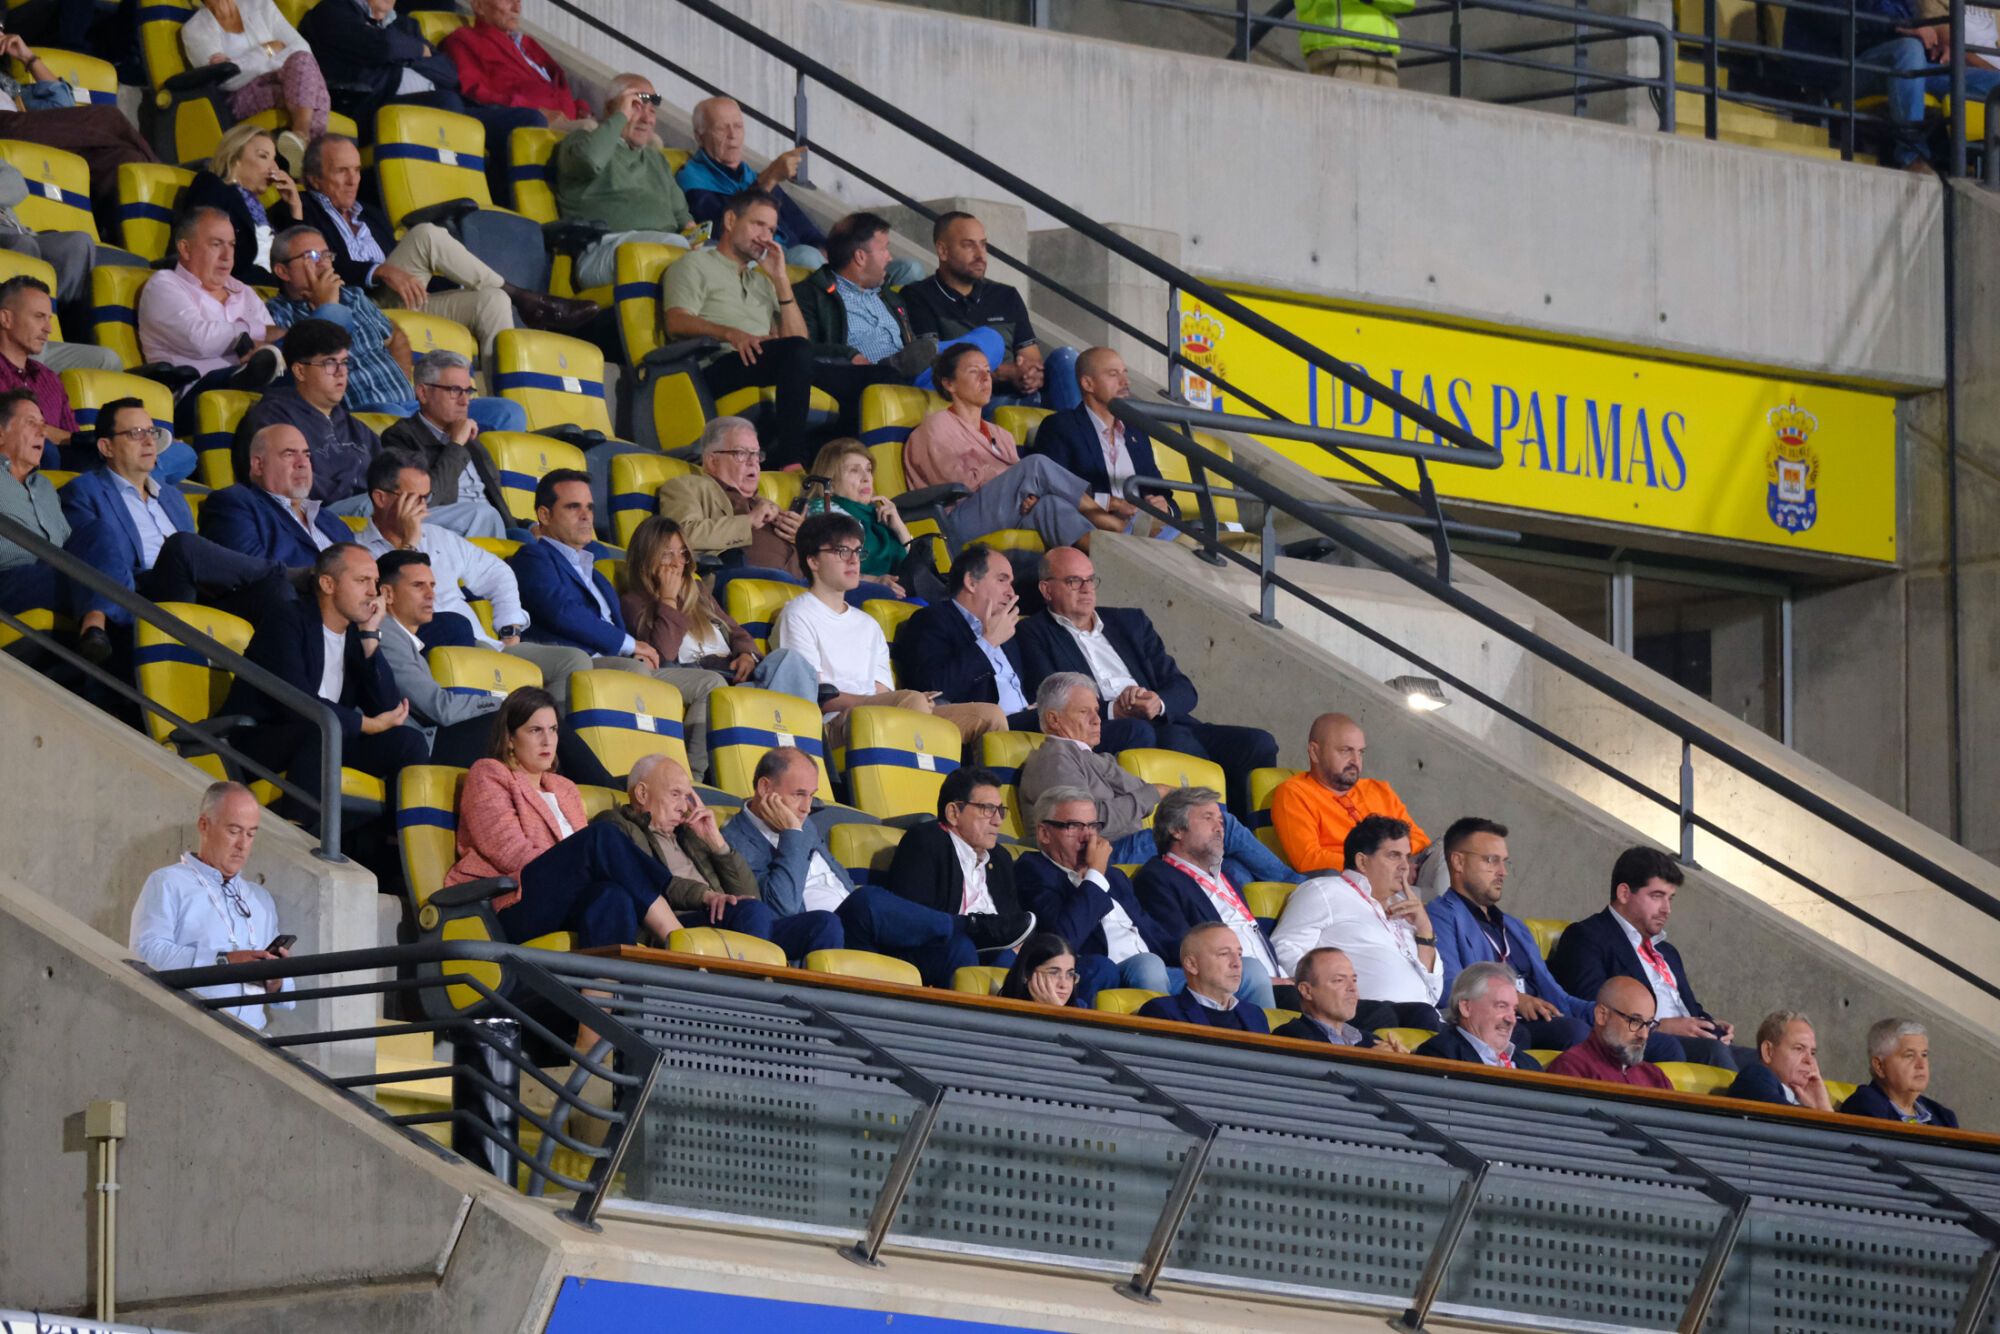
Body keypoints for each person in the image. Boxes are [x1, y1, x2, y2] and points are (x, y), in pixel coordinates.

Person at [1016, 546, 1278, 812]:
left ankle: (1248, 828)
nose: (1086, 589)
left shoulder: (1130, 621)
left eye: (1090, 579)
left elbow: (1184, 688)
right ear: (1047, 590)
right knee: (1153, 735)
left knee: (1258, 742)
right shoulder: (1032, 633)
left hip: (1165, 719)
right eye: (1074, 581)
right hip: (1109, 725)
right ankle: (1206, 824)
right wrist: (1113, 709)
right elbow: (1053, 694)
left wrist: (1158, 702)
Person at [662, 188, 899, 470]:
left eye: (772, 229)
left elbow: (800, 340)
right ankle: (792, 461)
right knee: (795, 352)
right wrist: (729, 333)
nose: (766, 236)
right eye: (757, 225)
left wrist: (780, 278)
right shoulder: (695, 263)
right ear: (729, 221)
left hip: (768, 359)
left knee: (877, 376)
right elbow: (676, 321)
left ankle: (838, 467)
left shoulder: (763, 281)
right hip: (717, 363)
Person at [508, 469, 723, 776]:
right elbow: (562, 611)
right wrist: (629, 644)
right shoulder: (533, 558)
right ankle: (634, 772)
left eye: (590, 508)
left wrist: (630, 649)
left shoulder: (596, 574)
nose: (586, 516)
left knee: (711, 684)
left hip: (617, 663)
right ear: (544, 514)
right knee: (634, 669)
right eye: (573, 507)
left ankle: (689, 777)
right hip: (576, 664)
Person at [222, 543, 426, 866]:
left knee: (409, 742)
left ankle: (392, 850)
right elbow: (296, 703)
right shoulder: (287, 619)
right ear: (328, 584)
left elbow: (386, 706)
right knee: (320, 726)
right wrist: (366, 725)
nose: (374, 593)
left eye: (375, 583)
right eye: (362, 581)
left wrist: (371, 637)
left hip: (323, 741)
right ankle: (296, 840)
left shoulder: (356, 635)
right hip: (261, 740)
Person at [299, 134, 590, 352]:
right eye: (341, 171)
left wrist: (458, 284)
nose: (353, 180)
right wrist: (378, 271)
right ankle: (523, 297)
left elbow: (406, 276)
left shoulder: (371, 215)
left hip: (397, 302)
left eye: (357, 170)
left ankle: (502, 406)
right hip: (355, 304)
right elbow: (309, 261)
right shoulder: (302, 209)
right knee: (426, 233)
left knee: (493, 300)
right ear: (314, 179)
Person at [445, 686, 685, 949]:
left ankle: (601, 990)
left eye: (553, 730)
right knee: (600, 837)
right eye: (535, 730)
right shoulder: (489, 774)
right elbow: (509, 852)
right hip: (510, 901)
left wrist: (577, 866)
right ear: (510, 738)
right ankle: (676, 936)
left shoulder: (564, 788)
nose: (547, 741)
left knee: (612, 896)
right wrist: (573, 862)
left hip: (560, 898)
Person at [723, 746, 982, 985]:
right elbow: (780, 908)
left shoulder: (806, 824)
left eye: (811, 796)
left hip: (861, 933)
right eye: (798, 794)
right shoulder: (736, 839)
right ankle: (970, 924)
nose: (806, 808)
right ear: (765, 788)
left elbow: (839, 884)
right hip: (823, 930)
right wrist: (792, 834)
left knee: (958, 949)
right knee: (866, 900)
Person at [1018, 673, 1298, 887]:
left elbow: (1142, 793)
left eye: (1096, 710)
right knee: (1221, 822)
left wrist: (1165, 796)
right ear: (1053, 719)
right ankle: (1295, 885)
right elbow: (1086, 825)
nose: (1097, 719)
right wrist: (1154, 793)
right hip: (1102, 853)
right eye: (1084, 712)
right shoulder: (1054, 758)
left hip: (1128, 843)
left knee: (1235, 869)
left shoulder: (1096, 758)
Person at [62, 398, 293, 658]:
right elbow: (95, 556)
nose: (149, 441)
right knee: (182, 546)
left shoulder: (173, 497)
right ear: (106, 447)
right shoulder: (84, 491)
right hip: (141, 596)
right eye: (135, 434)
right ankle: (280, 570)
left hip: (193, 590)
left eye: (151, 432)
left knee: (275, 591)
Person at [265, 226, 526, 454]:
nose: (324, 263)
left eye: (327, 255)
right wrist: (327, 307)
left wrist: (403, 381)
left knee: (507, 413)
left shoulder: (354, 297)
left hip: (410, 404)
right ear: (282, 271)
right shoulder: (278, 313)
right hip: (363, 413)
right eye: (311, 257)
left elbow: (395, 337)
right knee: (395, 417)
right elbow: (306, 355)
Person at [355, 450, 588, 691]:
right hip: (426, 652)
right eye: (413, 498)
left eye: (427, 497)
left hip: (484, 645)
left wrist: (509, 627)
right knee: (458, 628)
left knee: (574, 661)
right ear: (381, 498)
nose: (423, 508)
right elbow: (385, 614)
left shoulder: (440, 537)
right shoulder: (357, 553)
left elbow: (498, 572)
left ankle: (544, 728)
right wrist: (410, 544)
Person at [770, 510, 1006, 748]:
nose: (853, 560)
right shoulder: (798, 614)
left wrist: (902, 701)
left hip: (879, 713)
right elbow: (816, 696)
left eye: (857, 551)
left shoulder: (868, 624)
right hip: (829, 724)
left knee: (990, 717)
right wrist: (896, 701)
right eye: (842, 551)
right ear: (813, 561)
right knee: (911, 701)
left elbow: (882, 689)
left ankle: (973, 785)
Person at [592, 752, 841, 961]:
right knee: (751, 913)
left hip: (727, 918)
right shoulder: (617, 826)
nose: (683, 806)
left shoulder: (689, 834)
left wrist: (717, 844)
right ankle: (753, 1007)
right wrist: (707, 896)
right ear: (642, 794)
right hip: (674, 924)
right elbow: (650, 882)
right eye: (675, 794)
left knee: (824, 924)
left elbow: (750, 895)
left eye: (688, 796)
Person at [678, 96, 922, 282]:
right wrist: (770, 178)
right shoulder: (692, 178)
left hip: (805, 253)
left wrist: (832, 250)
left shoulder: (748, 175)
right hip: (769, 258)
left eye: (738, 127)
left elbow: (803, 226)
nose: (733, 136)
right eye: (722, 128)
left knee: (909, 269)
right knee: (807, 256)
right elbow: (725, 229)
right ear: (700, 136)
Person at [903, 344, 1117, 551]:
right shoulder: (936, 427)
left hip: (1001, 514)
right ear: (949, 383)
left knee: (1049, 506)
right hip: (956, 522)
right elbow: (957, 489)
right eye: (974, 371)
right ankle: (1110, 521)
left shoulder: (1001, 434)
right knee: (1036, 464)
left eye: (988, 371)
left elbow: (1019, 484)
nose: (985, 377)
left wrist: (1032, 497)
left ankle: (1109, 561)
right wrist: (1020, 488)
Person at [1546, 846, 1739, 1070]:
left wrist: (1711, 1025)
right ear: (1624, 893)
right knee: (1715, 1054)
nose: (1667, 909)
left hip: (1697, 1044)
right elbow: (1593, 1007)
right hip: (1646, 1041)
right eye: (1657, 896)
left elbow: (1689, 1008)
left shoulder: (1668, 952)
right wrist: (1659, 1026)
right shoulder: (1586, 937)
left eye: (1670, 898)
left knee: (1759, 1064)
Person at [129, 781, 295, 1030]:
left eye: (251, 834)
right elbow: (145, 953)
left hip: (255, 1038)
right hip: (194, 1033)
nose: (243, 844)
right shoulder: (168, 882)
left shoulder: (259, 899)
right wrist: (224, 962)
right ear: (204, 825)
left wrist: (275, 980)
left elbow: (285, 993)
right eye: (234, 831)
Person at [300, 0, 541, 170]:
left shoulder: (406, 26)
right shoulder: (333, 11)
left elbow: (448, 72)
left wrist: (398, 50)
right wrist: (419, 51)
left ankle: (500, 209)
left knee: (529, 120)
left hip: (440, 102)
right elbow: (382, 47)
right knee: (446, 103)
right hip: (372, 107)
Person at [1425, 817, 1592, 1053]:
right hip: (1497, 1022)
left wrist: (1606, 1014)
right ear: (1458, 861)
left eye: (1504, 862)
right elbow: (1449, 987)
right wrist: (1514, 999)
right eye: (1491, 861)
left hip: (1540, 1019)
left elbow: (1558, 998)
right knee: (1574, 1033)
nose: (1502, 872)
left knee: (1623, 1035)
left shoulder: (1514, 926)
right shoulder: (1440, 915)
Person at [0, 275, 191, 476]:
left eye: (49, 319)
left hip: (73, 460)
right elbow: (16, 430)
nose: (48, 329)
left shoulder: (49, 378)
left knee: (183, 453)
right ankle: (137, 479)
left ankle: (135, 476)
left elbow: (70, 435)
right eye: (39, 317)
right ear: (6, 318)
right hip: (35, 464)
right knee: (49, 451)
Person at [620, 514, 818, 705]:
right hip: (708, 680)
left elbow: (737, 632)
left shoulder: (697, 591)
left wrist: (747, 655)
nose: (676, 563)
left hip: (737, 675)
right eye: (666, 554)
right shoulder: (634, 602)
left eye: (682, 554)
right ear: (645, 559)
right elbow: (665, 655)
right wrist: (668, 599)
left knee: (789, 660)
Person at [1270, 814, 1443, 1031]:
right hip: (1361, 1013)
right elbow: (1285, 947)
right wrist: (1327, 993)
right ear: (1362, 861)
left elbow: (1434, 992)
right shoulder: (1325, 891)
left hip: (1419, 1015)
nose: (1404, 867)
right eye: (1393, 856)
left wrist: (1424, 932)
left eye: (1407, 857)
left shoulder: (1408, 911)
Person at [1012, 784, 1181, 1001]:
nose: (1087, 837)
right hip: (1112, 970)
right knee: (1149, 965)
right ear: (1045, 833)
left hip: (1158, 969)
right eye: (1074, 826)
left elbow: (1153, 933)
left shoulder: (1116, 877)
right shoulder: (1033, 870)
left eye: (1093, 826)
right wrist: (1095, 877)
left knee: (1228, 974)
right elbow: (1063, 938)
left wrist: (1198, 954)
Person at [795, 212, 998, 379]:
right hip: (866, 376)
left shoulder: (891, 298)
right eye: (884, 248)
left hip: (915, 375)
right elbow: (803, 349)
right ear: (860, 256)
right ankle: (898, 367)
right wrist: (847, 354)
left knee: (990, 339)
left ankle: (918, 365)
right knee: (968, 358)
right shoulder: (812, 294)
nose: (890, 257)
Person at [1133, 786, 1282, 1009]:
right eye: (1208, 818)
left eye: (1221, 821)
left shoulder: (1227, 877)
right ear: (1176, 829)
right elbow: (1179, 946)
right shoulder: (1158, 877)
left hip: (1270, 979)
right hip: (1234, 980)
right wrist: (1251, 974)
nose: (1219, 828)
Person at [135, 208, 285, 426]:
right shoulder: (164, 285)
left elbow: (272, 347)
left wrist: (264, 348)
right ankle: (246, 376)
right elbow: (199, 339)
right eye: (216, 244)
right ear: (185, 249)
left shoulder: (244, 292)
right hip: (193, 396)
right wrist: (258, 332)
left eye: (231, 245)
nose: (227, 256)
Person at [553, 75, 701, 291]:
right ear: (611, 109)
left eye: (652, 111)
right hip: (604, 251)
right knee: (677, 250)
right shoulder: (581, 141)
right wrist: (621, 115)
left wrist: (692, 232)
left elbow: (682, 216)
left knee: (729, 263)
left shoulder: (655, 159)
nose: (647, 119)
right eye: (636, 107)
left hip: (660, 247)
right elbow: (590, 162)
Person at [0, 30, 158, 218]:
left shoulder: (9, 84)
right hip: (6, 126)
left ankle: (116, 230)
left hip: (25, 128)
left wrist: (29, 58)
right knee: (109, 117)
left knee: (124, 158)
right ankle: (158, 173)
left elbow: (62, 104)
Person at [881, 767, 1037, 956]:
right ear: (953, 813)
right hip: (943, 950)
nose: (998, 821)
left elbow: (1013, 923)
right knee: (968, 950)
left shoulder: (1000, 858)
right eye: (988, 809)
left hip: (993, 953)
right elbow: (916, 920)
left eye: (1001, 810)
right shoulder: (925, 842)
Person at [902, 212, 1056, 404]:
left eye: (983, 245)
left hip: (1023, 392)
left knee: (1066, 361)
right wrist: (1001, 374)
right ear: (943, 251)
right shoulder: (918, 296)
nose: (980, 255)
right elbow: (932, 363)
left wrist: (1030, 375)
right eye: (968, 245)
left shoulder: (1006, 295)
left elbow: (1031, 357)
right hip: (975, 398)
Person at [373, 549, 506, 766]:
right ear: (387, 594)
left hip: (426, 740)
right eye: (418, 585)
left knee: (538, 727)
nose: (430, 594)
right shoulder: (386, 634)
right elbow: (440, 708)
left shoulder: (405, 640)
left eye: (432, 586)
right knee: (529, 720)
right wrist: (506, 703)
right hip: (415, 747)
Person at [237, 318, 379, 512]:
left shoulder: (356, 427)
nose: (341, 373)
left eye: (344, 363)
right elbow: (281, 482)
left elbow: (388, 474)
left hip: (365, 508)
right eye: (330, 363)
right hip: (312, 512)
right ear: (300, 371)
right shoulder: (272, 418)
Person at [892, 543, 1036, 729]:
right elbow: (934, 687)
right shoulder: (932, 620)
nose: (1011, 593)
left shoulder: (1006, 630)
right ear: (971, 582)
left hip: (1023, 719)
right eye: (1002, 580)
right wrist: (987, 643)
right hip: (986, 723)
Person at [1268, 712, 1430, 875]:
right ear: (1315, 752)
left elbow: (1420, 840)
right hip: (1355, 884)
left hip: (1410, 870)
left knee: (1446, 850)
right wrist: (1381, 866)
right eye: (1346, 751)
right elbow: (1309, 859)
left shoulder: (1379, 790)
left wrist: (1397, 862)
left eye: (1360, 752)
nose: (1355, 761)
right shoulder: (1295, 793)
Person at [379, 351, 515, 539]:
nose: (465, 401)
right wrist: (456, 445)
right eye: (455, 390)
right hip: (436, 531)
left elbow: (498, 510)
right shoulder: (400, 437)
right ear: (423, 392)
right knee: (482, 514)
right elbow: (426, 500)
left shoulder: (474, 444)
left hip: (488, 528)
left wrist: (530, 525)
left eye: (468, 391)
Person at [180, 0, 330, 170]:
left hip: (285, 81)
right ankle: (311, 162)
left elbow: (301, 47)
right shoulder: (194, 29)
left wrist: (245, 64)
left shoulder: (261, 5)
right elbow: (227, 79)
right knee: (312, 90)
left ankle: (301, 137)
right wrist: (268, 50)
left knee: (302, 61)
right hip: (239, 96)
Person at [1027, 347, 1169, 527]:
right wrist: (1111, 503)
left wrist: (1164, 507)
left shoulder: (1137, 432)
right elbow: (1056, 487)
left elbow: (1164, 494)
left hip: (1148, 532)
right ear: (1088, 384)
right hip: (1094, 529)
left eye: (1125, 373)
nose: (1125, 382)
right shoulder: (1061, 426)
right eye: (1113, 374)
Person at [655, 416, 802, 579]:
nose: (753, 462)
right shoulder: (686, 487)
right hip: (733, 576)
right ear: (712, 461)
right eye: (741, 453)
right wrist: (748, 522)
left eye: (756, 454)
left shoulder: (764, 502)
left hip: (797, 581)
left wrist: (801, 536)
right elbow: (682, 535)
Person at [198, 423, 354, 568]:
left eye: (306, 455)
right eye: (289, 454)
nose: (302, 463)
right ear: (259, 465)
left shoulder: (333, 522)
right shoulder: (233, 504)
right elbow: (252, 575)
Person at [802, 438, 935, 595]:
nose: (866, 478)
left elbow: (919, 570)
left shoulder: (879, 516)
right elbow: (831, 567)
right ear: (831, 482)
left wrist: (900, 528)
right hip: (854, 594)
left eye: (869, 469)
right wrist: (875, 582)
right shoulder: (824, 510)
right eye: (854, 470)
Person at [442, 0, 595, 132]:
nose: (517, 8)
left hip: (574, 119)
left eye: (519, 0)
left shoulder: (527, 43)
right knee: (593, 133)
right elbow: (474, 92)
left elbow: (553, 86)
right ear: (479, 6)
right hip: (533, 120)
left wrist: (580, 107)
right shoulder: (465, 40)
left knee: (614, 126)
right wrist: (536, 110)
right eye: (508, 0)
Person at [180, 123, 300, 286]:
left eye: (274, 160)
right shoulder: (211, 185)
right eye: (264, 156)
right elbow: (214, 252)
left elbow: (295, 255)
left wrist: (295, 206)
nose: (274, 168)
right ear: (235, 158)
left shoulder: (260, 211)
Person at [0, 387, 68, 613]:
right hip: (8, 578)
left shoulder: (46, 488)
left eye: (43, 424)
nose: (43, 433)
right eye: (31, 423)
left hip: (51, 575)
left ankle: (95, 626)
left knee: (99, 534)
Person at [1136, 922, 1271, 1034]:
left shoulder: (1256, 1015)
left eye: (1239, 954)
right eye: (1224, 954)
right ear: (1192, 965)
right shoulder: (1162, 1013)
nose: (1236, 963)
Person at [1545, 978, 1673, 1088]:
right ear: (1602, 1016)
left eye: (1648, 1024)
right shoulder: (1571, 1069)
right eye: (1635, 1021)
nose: (1644, 1035)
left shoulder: (1656, 1077)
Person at [1415, 963, 1540, 1070]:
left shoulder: (1531, 1065)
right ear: (1466, 1008)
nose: (1511, 1019)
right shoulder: (1438, 1055)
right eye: (1501, 1006)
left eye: (1514, 1010)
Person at [1272, 947, 1401, 1049]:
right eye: (1339, 980)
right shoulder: (1291, 1036)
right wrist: (1371, 1062)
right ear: (1307, 991)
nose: (1353, 988)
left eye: (1354, 980)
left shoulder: (1370, 1041)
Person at [1840, 1019, 1957, 1127]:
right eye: (1909, 1056)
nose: (1921, 1065)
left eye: (1924, 1055)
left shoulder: (1944, 1117)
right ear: (1879, 1066)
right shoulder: (1864, 1107)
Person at [1723, 1011, 1836, 1110]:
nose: (1809, 1061)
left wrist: (1824, 1106)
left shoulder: (1805, 1100)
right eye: (1799, 1049)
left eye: (1812, 1053)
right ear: (1768, 1051)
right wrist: (1820, 1113)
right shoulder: (1755, 1077)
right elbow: (1785, 1120)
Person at [1297, 0, 1415, 87]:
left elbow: (1407, 2)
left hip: (1383, 54)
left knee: (1387, 119)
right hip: (1342, 47)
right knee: (1343, 117)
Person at [998, 933, 1086, 1008]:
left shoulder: (1081, 1008)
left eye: (1070, 974)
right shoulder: (1003, 1012)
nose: (1063, 985)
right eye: (1054, 972)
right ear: (1025, 975)